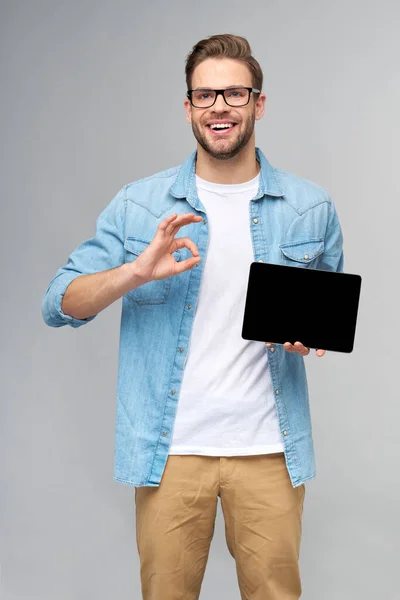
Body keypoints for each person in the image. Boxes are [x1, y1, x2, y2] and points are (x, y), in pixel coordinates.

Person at [42, 33, 344, 600]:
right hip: (170, 451)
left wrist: (308, 338)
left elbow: (324, 310)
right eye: (204, 96)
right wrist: (134, 272)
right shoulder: (139, 204)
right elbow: (59, 304)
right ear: (188, 107)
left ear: (259, 102)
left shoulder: (311, 207)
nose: (219, 107)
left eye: (234, 93)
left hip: (268, 449)